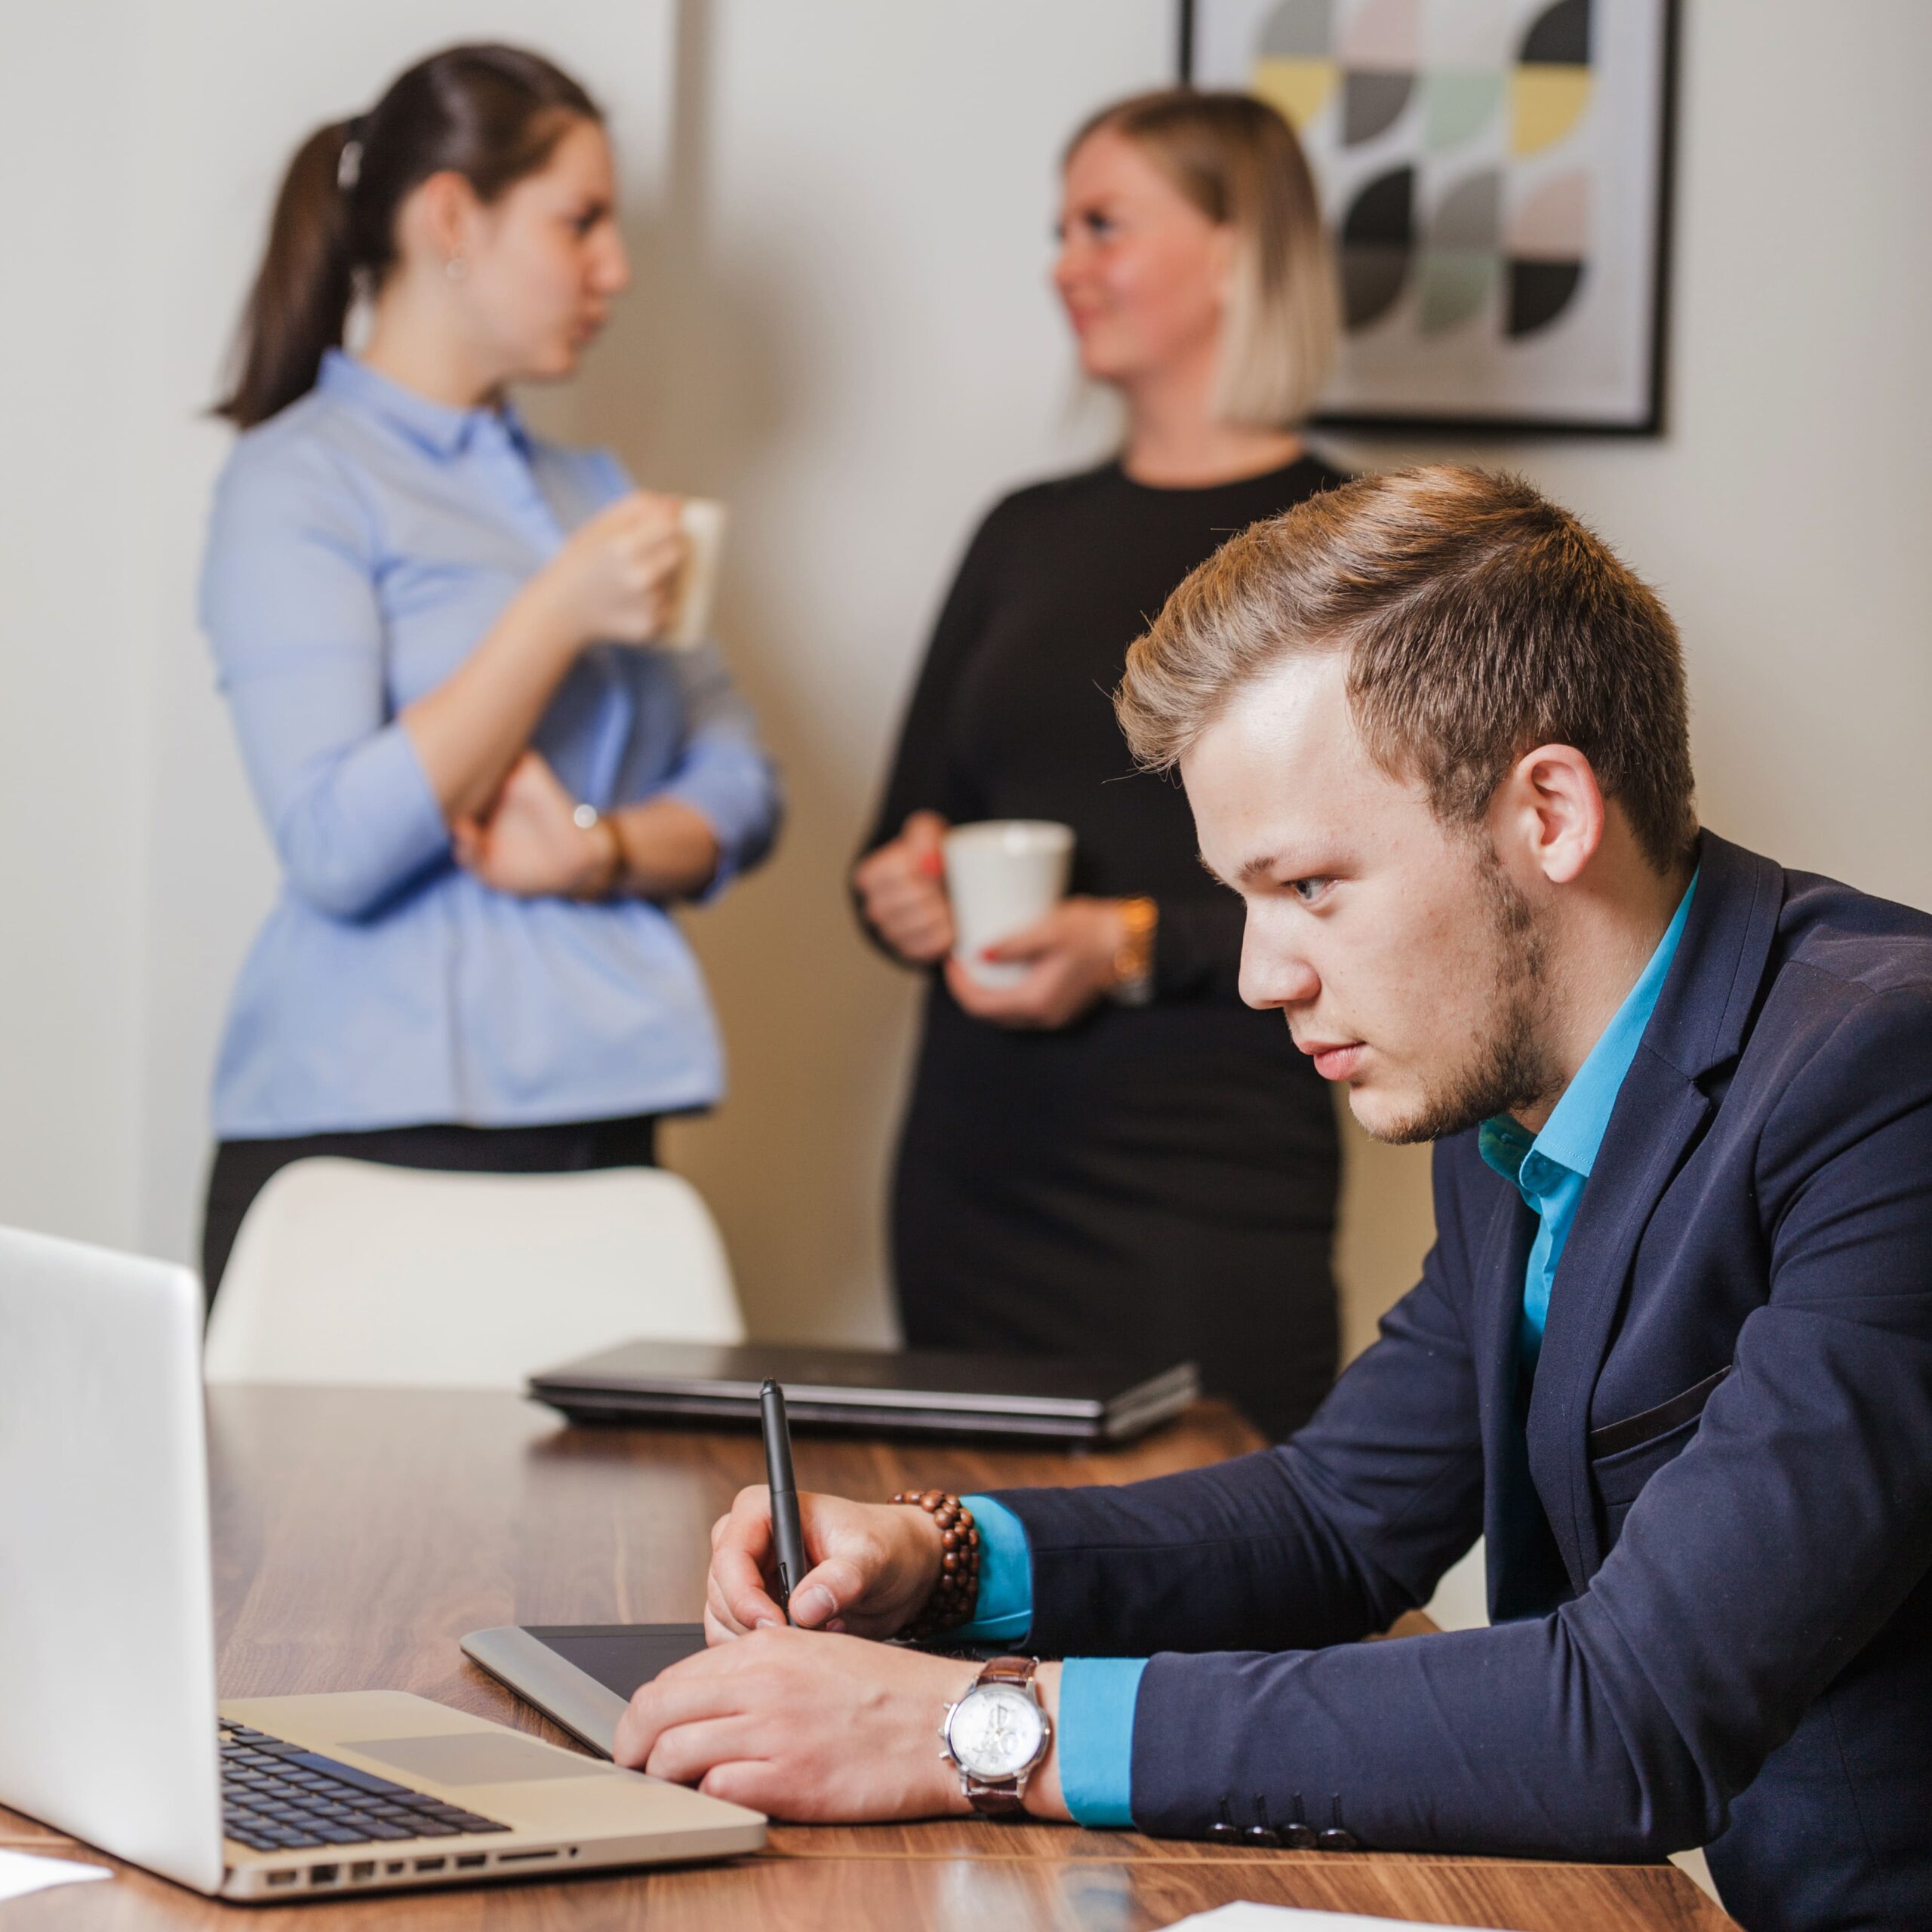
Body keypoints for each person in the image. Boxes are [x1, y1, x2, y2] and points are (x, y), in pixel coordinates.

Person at [617, 469, 1932, 1932]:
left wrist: (968, 1730)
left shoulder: (1891, 1075)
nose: (1258, 976)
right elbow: (1339, 1515)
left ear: (1549, 812)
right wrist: (939, 1558)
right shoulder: (1514, 1085)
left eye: (1307, 887)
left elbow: (1630, 1713)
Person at [195, 45, 781, 1299]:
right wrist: (554, 616)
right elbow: (332, 844)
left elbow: (745, 787)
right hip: (364, 1138)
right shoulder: (294, 482)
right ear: (451, 218)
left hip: (603, 1122)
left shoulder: (596, 492)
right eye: (580, 222)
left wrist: (600, 851)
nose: (616, 269)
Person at [854, 90, 1346, 1439]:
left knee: (1230, 1541)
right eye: (1059, 229)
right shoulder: (1021, 532)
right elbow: (901, 837)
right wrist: (903, 889)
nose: (1063, 263)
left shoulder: (1347, 546)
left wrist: (1125, 946)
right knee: (966, 1546)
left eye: (1103, 225)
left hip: (1209, 1185)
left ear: (1235, 250)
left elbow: (1376, 892)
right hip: (976, 1183)